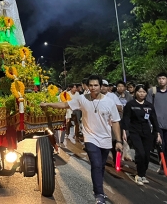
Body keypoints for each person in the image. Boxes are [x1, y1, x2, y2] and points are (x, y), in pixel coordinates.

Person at [40, 75, 123, 204]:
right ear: (87, 87)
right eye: (91, 85)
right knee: (95, 164)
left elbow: (116, 122)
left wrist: (118, 141)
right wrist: (48, 104)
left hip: (106, 139)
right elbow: (65, 105)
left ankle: (98, 188)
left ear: (101, 87)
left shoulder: (109, 102)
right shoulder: (82, 99)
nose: (93, 88)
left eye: (96, 85)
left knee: (100, 166)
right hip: (90, 138)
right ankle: (99, 194)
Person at [121, 84, 161, 185]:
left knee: (147, 155)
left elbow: (154, 120)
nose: (141, 94)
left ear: (146, 93)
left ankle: (143, 174)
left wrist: (158, 133)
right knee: (140, 153)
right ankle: (139, 174)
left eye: (143, 92)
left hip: (147, 132)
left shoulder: (149, 105)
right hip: (135, 131)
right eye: (139, 92)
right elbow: (126, 119)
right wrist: (124, 131)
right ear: (135, 93)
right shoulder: (130, 104)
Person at [146, 72, 167, 174]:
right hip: (156, 123)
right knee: (161, 144)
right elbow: (148, 107)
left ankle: (164, 163)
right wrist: (149, 123)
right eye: (160, 78)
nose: (161, 80)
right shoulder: (152, 91)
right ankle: (162, 165)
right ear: (157, 80)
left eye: (163, 78)